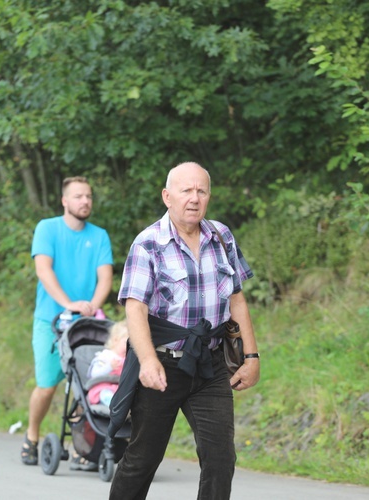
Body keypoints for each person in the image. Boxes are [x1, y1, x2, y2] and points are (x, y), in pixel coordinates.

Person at [108, 162, 261, 500]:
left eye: (201, 191)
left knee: (221, 457)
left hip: (210, 364)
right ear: (167, 197)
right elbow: (135, 308)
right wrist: (147, 361)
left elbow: (237, 298)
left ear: (208, 197)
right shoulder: (148, 244)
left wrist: (251, 356)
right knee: (143, 459)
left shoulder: (221, 236)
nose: (194, 198)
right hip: (164, 364)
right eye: (185, 190)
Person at [21, 176, 114, 471]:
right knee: (47, 386)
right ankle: (32, 436)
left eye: (88, 196)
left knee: (88, 389)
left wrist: (92, 307)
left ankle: (83, 447)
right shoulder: (47, 229)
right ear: (64, 200)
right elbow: (43, 270)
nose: (84, 201)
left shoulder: (99, 235)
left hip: (87, 325)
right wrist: (69, 303)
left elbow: (106, 278)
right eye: (78, 196)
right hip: (50, 321)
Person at [87, 320, 128, 406]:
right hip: (103, 387)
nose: (129, 347)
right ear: (115, 340)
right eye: (126, 343)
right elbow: (94, 374)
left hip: (120, 389)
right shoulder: (105, 356)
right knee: (105, 393)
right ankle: (112, 404)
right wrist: (109, 367)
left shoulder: (127, 359)